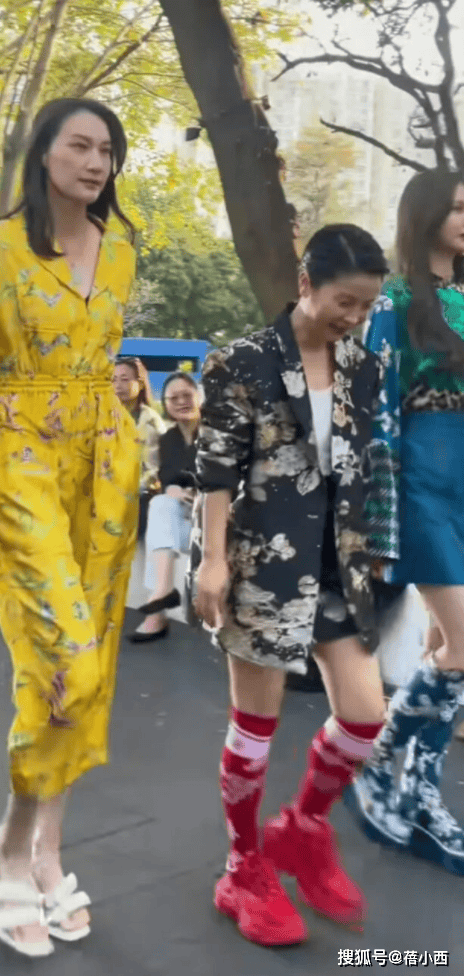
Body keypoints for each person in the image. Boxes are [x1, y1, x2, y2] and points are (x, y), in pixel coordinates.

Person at [0, 98, 139, 957]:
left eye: (107, 150)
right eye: (79, 145)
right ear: (44, 153)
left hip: (105, 469)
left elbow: (106, 359)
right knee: (64, 660)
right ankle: (11, 848)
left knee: (94, 671)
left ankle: (46, 851)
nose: (94, 162)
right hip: (19, 462)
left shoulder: (120, 249)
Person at [192, 224, 389, 947]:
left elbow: (362, 462)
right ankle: (242, 867)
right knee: (255, 728)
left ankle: (302, 828)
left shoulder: (363, 367)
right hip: (262, 561)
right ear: (306, 283)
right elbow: (215, 471)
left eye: (365, 307)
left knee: (364, 718)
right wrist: (213, 561)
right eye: (344, 302)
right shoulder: (242, 361)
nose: (353, 318)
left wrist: (375, 549)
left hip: (339, 562)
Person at [344, 168, 464, 876]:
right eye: (457, 208)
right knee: (462, 647)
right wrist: (378, 514)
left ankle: (413, 792)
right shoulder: (394, 300)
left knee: (444, 647)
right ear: (425, 216)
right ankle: (389, 770)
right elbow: (375, 408)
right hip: (421, 480)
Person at [129, 371, 200, 643]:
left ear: (198, 396)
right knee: (160, 504)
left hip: (216, 519)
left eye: (186, 395)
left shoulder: (218, 434)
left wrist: (200, 493)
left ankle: (157, 608)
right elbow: (168, 476)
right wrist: (174, 490)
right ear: (167, 404)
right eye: (174, 398)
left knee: (161, 513)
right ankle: (161, 595)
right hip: (184, 517)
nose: (181, 402)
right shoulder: (169, 438)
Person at [112, 357, 165, 537]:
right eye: (113, 380)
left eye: (125, 379)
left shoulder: (150, 421)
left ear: (140, 384)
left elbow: (153, 470)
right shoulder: (102, 416)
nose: (118, 386)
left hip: (138, 495)